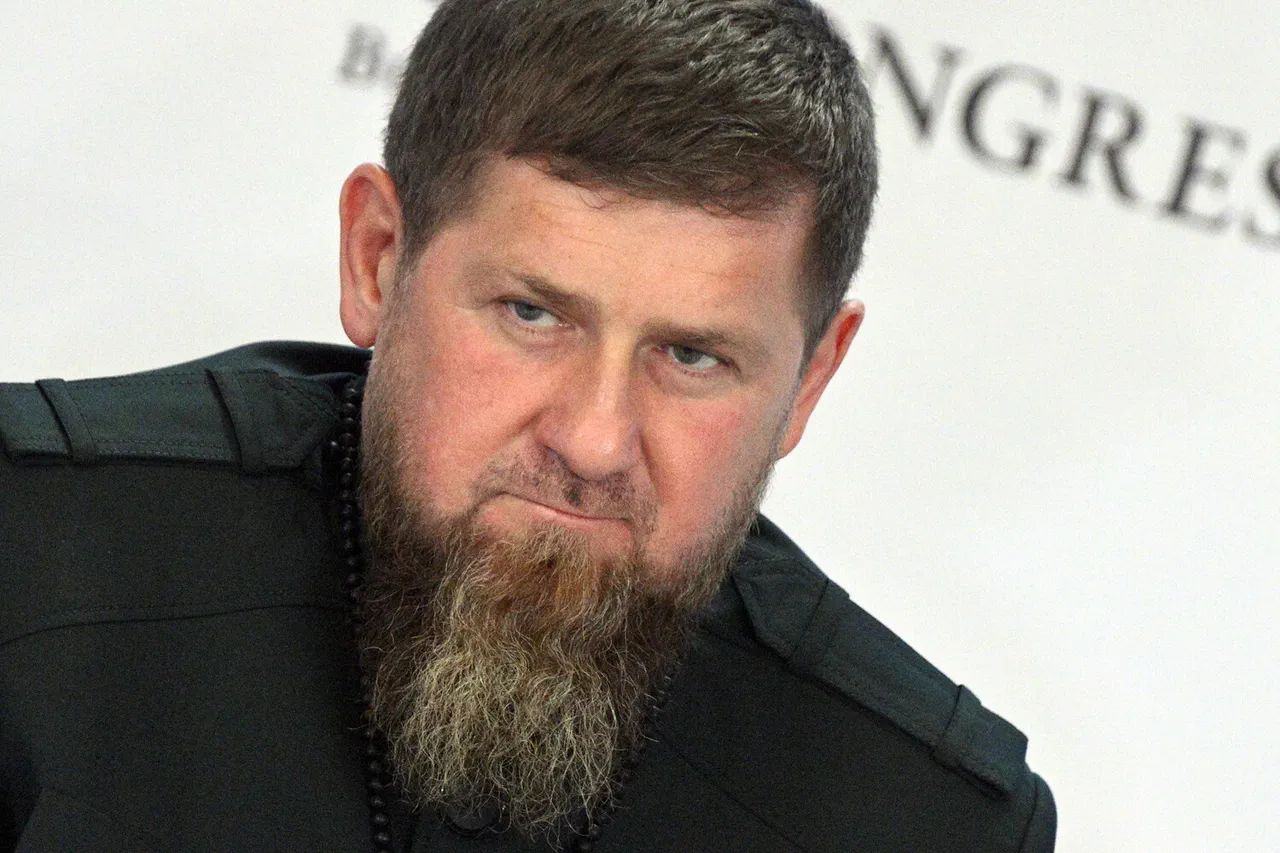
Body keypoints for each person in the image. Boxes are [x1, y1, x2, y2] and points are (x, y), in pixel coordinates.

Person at [0, 0, 1055, 850]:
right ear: (377, 260)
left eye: (692, 357)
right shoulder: (28, 556)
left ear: (810, 378)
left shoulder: (922, 824)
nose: (592, 440)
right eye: (531, 314)